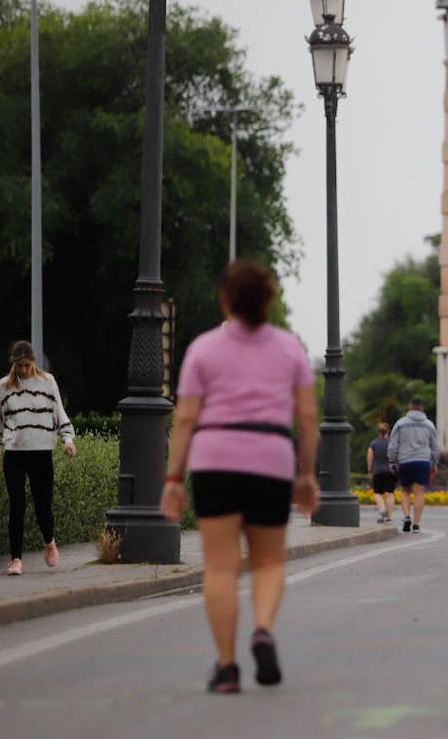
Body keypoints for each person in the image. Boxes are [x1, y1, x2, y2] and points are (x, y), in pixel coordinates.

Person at [159, 261, 321, 693]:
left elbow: (186, 418)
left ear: (226, 299)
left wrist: (173, 477)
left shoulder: (204, 349)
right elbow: (307, 415)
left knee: (220, 568)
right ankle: (263, 628)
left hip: (216, 459)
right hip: (271, 458)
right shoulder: (290, 349)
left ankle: (227, 668)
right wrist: (307, 475)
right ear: (269, 300)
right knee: (268, 562)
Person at [0, 340, 76, 575]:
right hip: (14, 453)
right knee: (17, 505)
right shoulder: (4, 386)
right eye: (20, 366)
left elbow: (59, 413)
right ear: (14, 364)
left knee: (42, 507)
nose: (24, 370)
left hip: (41, 452)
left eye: (27, 365)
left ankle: (49, 542)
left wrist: (68, 440)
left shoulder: (47, 382)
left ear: (33, 363)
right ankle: (15, 558)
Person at [388, 398, 440, 533]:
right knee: (419, 492)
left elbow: (393, 445)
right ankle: (416, 524)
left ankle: (406, 516)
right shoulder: (429, 425)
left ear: (409, 407)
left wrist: (392, 461)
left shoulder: (400, 424)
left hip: (405, 460)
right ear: (422, 408)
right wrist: (434, 463)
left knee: (405, 490)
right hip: (423, 461)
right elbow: (434, 447)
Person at [367, 420, 396, 524]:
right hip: (390, 471)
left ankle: (382, 509)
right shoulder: (392, 443)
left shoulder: (373, 443)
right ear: (388, 431)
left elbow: (370, 457)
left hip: (377, 471)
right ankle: (389, 517)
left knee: (377, 493)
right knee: (390, 494)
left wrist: (369, 470)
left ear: (378, 431)